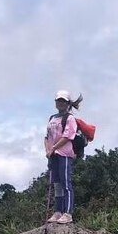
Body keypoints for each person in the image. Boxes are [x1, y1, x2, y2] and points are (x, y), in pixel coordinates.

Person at [44, 88, 82, 224]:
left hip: (65, 154)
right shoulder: (52, 118)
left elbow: (67, 136)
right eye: (58, 100)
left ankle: (68, 213)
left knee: (66, 183)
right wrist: (48, 150)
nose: (60, 103)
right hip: (53, 155)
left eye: (63, 101)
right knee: (57, 185)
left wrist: (54, 148)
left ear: (68, 103)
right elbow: (47, 136)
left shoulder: (70, 118)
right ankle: (58, 211)